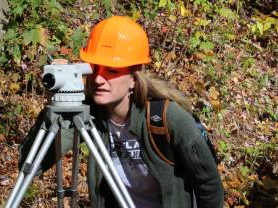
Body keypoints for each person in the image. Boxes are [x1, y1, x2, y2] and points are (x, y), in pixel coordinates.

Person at [19, 16, 224, 208]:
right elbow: (32, 163)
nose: (99, 79)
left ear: (134, 78)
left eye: (112, 71)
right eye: (95, 68)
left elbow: (208, 182)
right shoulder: (88, 114)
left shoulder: (166, 118)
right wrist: (58, 104)